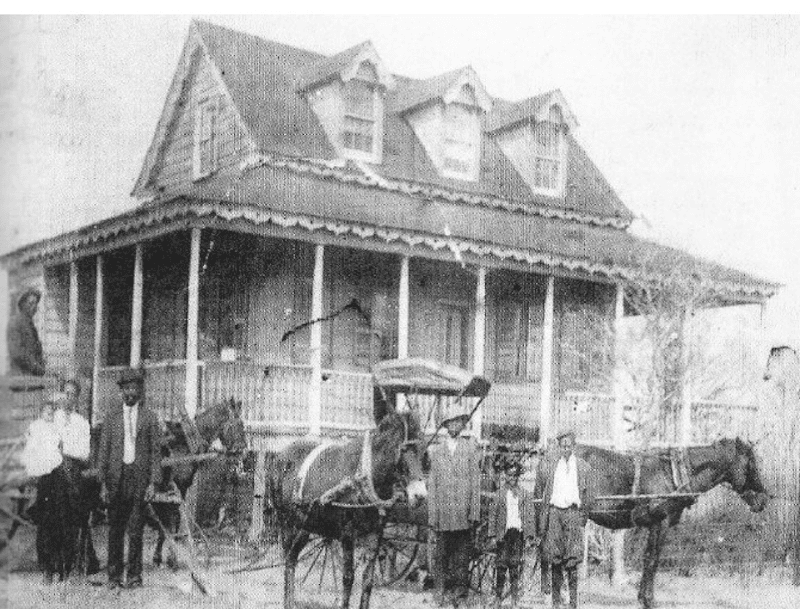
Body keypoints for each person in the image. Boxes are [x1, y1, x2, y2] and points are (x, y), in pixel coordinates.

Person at [98, 368, 162, 589]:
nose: (130, 392)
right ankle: (114, 577)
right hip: (116, 479)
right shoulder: (112, 417)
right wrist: (103, 483)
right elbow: (103, 451)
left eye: (134, 388)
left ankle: (134, 577)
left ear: (140, 391)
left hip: (139, 481)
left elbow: (156, 452)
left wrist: (153, 483)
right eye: (126, 388)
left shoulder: (150, 417)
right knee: (115, 530)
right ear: (121, 391)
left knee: (136, 531)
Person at [534, 428, 595, 609]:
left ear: (574, 446)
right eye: (562, 446)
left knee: (572, 559)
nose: (566, 449)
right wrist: (544, 522)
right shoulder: (552, 465)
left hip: (573, 514)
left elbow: (589, 496)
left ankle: (573, 603)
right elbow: (545, 495)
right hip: (555, 515)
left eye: (569, 446)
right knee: (555, 558)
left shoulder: (584, 467)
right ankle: (556, 602)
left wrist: (581, 518)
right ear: (559, 447)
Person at [427, 413, 481, 607]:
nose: (455, 425)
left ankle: (460, 595)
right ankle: (440, 593)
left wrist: (474, 512)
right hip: (443, 515)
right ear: (446, 425)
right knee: (441, 556)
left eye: (459, 422)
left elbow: (475, 483)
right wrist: (433, 516)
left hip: (462, 515)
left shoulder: (469, 450)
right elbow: (432, 485)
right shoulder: (437, 451)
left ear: (463, 425)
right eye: (451, 422)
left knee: (461, 558)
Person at [20, 397, 69, 583]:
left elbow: (60, 451)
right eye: (47, 412)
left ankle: (59, 566)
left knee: (59, 523)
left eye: (52, 413)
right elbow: (30, 453)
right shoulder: (36, 428)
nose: (49, 416)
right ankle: (47, 567)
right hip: (43, 480)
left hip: (56, 478)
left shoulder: (56, 430)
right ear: (41, 413)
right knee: (45, 526)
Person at [54, 380, 100, 575]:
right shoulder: (52, 417)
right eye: (66, 393)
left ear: (77, 398)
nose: (68, 398)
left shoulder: (82, 423)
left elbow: (85, 453)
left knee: (74, 510)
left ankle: (75, 558)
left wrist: (67, 451)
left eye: (72, 394)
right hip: (54, 468)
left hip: (74, 468)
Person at [488, 461, 537, 608]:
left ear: (518, 476)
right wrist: (492, 535)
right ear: (505, 476)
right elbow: (492, 515)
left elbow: (529, 516)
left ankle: (515, 599)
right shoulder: (499, 494)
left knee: (515, 566)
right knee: (501, 566)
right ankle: (498, 597)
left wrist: (529, 536)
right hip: (503, 534)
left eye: (515, 475)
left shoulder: (525, 494)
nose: (512, 478)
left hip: (517, 534)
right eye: (509, 475)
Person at [7, 287, 45, 377]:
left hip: (33, 376)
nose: (34, 307)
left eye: (36, 304)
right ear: (22, 304)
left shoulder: (31, 326)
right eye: (31, 303)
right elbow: (16, 353)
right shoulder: (15, 322)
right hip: (21, 376)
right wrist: (36, 367)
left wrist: (42, 364)